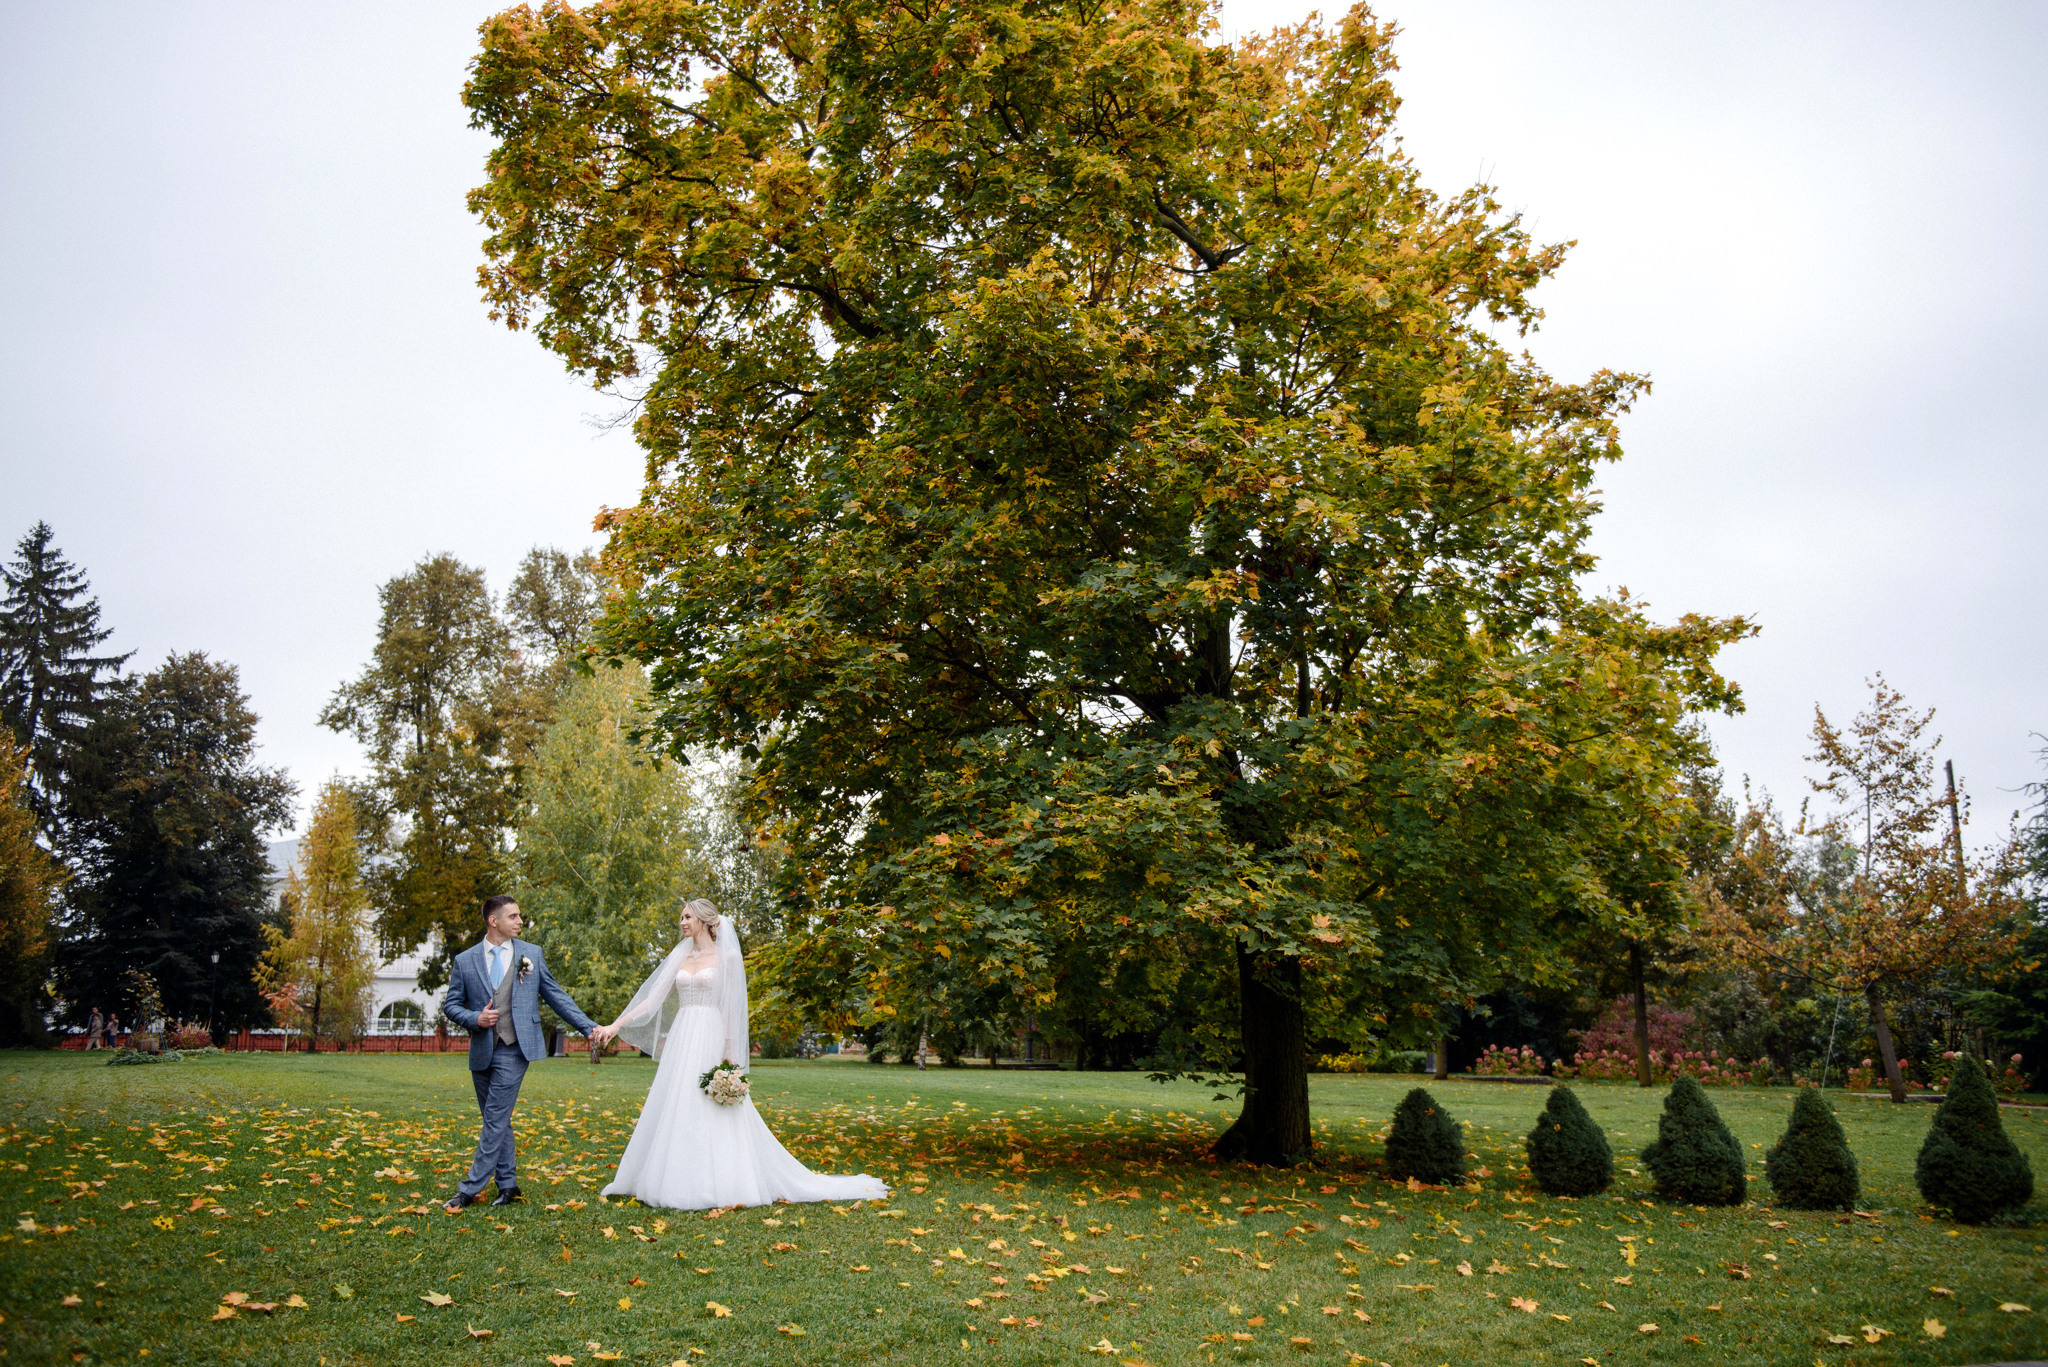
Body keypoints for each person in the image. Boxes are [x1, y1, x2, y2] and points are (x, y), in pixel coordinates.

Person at [601, 898, 889, 1210]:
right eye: (681, 917)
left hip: (710, 1033)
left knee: (711, 1103)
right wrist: (616, 1024)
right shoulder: (679, 955)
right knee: (678, 1101)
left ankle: (723, 1179)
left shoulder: (727, 956)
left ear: (704, 920)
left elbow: (733, 1010)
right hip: (684, 1036)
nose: (682, 922)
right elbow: (651, 1000)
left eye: (688, 917)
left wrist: (728, 1053)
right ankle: (675, 1177)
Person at [440, 895, 614, 1212]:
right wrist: (474, 1018)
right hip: (481, 1049)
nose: (520, 921)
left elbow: (555, 995)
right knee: (498, 1120)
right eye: (514, 916)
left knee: (494, 1119)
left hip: (515, 1047)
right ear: (494, 921)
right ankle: (508, 1187)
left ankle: (468, 1190)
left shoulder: (530, 954)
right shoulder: (465, 961)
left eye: (520, 916)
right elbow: (451, 1005)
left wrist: (587, 1026)